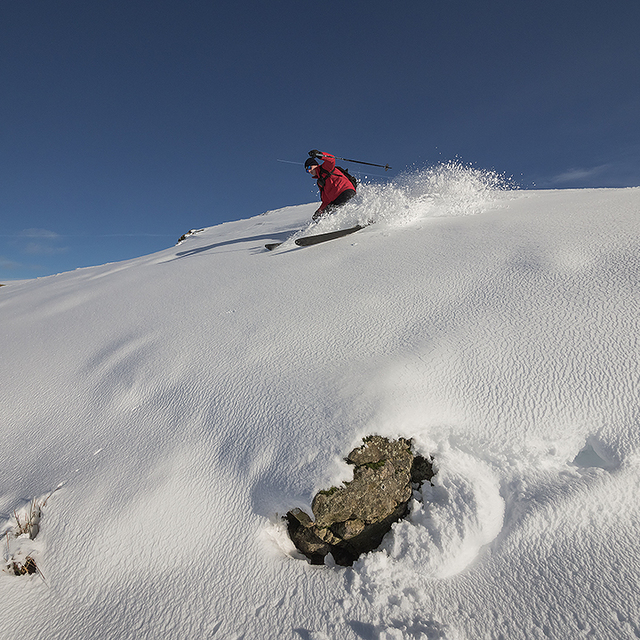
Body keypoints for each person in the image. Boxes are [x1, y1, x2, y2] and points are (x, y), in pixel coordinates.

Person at [305, 150, 356, 221]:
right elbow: (326, 200)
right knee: (325, 214)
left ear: (315, 165)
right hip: (336, 199)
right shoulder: (319, 182)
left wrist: (320, 154)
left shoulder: (325, 168)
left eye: (310, 168)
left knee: (334, 210)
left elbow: (331, 159)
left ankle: (358, 219)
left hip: (345, 191)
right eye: (307, 171)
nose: (310, 171)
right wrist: (319, 212)